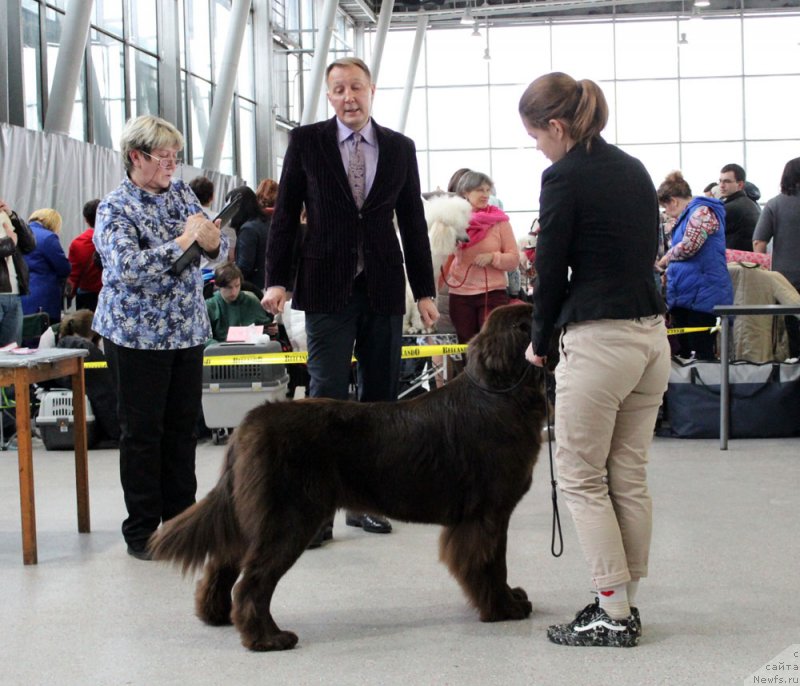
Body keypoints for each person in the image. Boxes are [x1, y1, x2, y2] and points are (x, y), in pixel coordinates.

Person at [519, 71, 670, 647]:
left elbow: (550, 269)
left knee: (581, 477)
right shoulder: (634, 169)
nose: (537, 146)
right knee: (627, 475)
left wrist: (540, 338)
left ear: (556, 127)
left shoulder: (561, 177)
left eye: (536, 136)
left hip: (599, 340)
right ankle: (622, 602)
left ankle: (612, 613)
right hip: (651, 338)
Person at [263, 56, 439, 545]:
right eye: (338, 89)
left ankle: (367, 504)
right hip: (324, 285)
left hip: (383, 284)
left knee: (381, 398)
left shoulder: (400, 148)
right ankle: (317, 511)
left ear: (372, 90)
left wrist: (424, 290)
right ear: (329, 95)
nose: (348, 97)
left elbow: (413, 224)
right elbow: (285, 216)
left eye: (356, 87)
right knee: (326, 396)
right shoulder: (307, 142)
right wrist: (276, 280)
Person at [92, 114, 226, 561]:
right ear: (136, 157)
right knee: (142, 435)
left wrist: (210, 242)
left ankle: (182, 523)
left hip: (186, 331)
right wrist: (183, 241)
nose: (173, 165)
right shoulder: (115, 207)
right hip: (135, 336)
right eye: (164, 157)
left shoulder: (182, 193)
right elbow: (128, 267)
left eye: (176, 157)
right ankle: (143, 531)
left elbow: (216, 249)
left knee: (181, 432)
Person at [657, 171, 733, 360]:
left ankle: (704, 389)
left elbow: (690, 246)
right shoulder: (689, 215)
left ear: (673, 201)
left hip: (703, 297)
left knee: (702, 350)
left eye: (665, 207)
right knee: (684, 348)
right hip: (688, 295)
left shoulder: (702, 211)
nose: (666, 212)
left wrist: (666, 259)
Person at [446, 171, 519, 343]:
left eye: (488, 190)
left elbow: (514, 259)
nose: (486, 194)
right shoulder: (453, 220)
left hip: (493, 293)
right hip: (460, 295)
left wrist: (493, 257)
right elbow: (443, 258)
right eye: (480, 190)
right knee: (465, 346)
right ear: (465, 192)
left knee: (492, 345)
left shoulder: (500, 221)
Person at [753, 157, 800, 357]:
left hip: (785, 280)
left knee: (791, 330)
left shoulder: (774, 204)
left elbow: (759, 243)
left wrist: (762, 274)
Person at [21, 208, 71, 323]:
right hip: (42, 298)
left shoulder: (17, 233)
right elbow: (64, 268)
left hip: (20, 296)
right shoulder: (48, 237)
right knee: (43, 337)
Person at [206, 261, 272, 344]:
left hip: (251, 348)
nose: (234, 292)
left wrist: (271, 332)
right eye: (228, 287)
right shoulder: (210, 306)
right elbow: (204, 338)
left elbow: (266, 329)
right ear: (218, 286)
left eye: (237, 286)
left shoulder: (251, 299)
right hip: (223, 351)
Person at [0, 199, 36, 346]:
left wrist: (12, 215)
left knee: (13, 349)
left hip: (14, 293)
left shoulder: (5, 218)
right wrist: (11, 242)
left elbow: (30, 244)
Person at [65, 199, 103, 312]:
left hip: (86, 295)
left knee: (85, 328)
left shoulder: (78, 243)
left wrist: (69, 295)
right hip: (109, 293)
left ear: (86, 220)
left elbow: (73, 274)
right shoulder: (114, 239)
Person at [232, 185, 272, 290]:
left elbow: (244, 266)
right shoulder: (266, 222)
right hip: (267, 282)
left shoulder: (248, 230)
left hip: (253, 287)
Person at [718, 163, 761, 251]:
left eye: (727, 181)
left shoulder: (731, 208)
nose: (721, 185)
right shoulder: (751, 204)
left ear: (740, 185)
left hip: (735, 262)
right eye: (720, 181)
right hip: (748, 260)